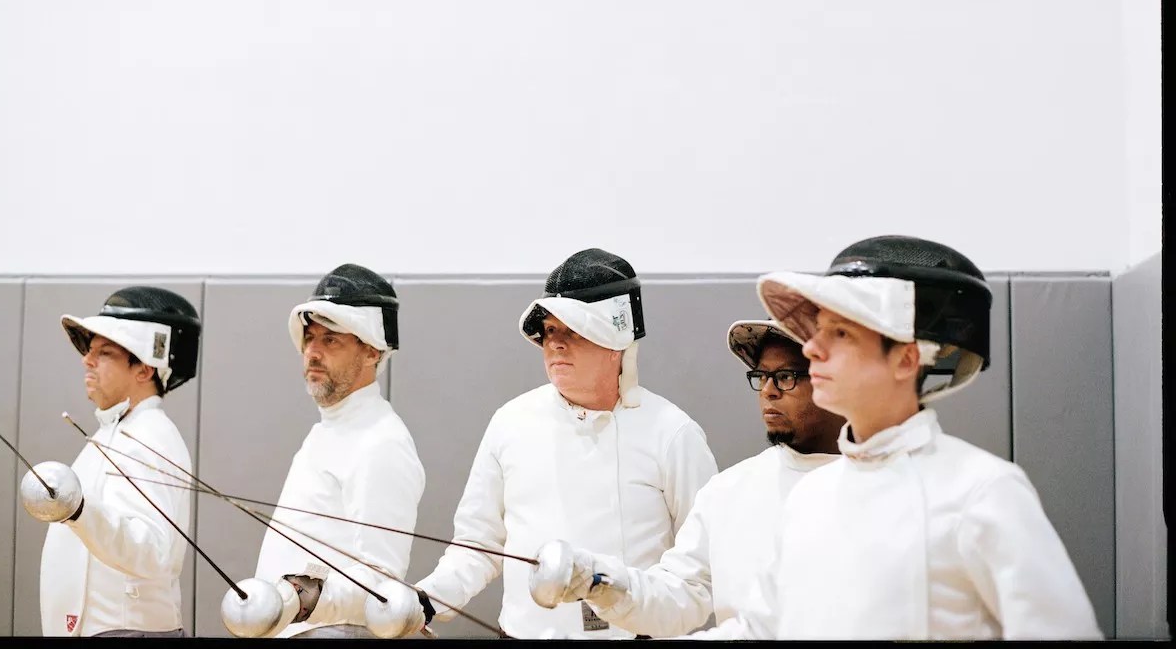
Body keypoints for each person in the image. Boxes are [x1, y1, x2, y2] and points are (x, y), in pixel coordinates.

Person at [749, 234, 1104, 640]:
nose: (811, 348)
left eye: (841, 333)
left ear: (905, 359)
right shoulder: (809, 496)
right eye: (818, 330)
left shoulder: (982, 490)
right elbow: (759, 629)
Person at [407, 248, 719, 639]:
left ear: (615, 340)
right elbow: (478, 544)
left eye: (573, 330)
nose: (556, 344)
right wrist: (426, 601)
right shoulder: (511, 422)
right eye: (550, 331)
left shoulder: (673, 434)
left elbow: (699, 581)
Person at [528, 319, 846, 637]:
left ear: (835, 377)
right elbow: (680, 592)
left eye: (786, 377)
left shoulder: (870, 490)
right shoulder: (729, 491)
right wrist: (601, 581)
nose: (768, 390)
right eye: (761, 376)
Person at [245, 264, 426, 638]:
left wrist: (303, 599)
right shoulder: (327, 431)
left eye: (331, 340)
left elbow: (383, 586)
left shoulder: (381, 442)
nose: (312, 352)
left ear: (371, 351)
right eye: (310, 338)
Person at [19, 286, 201, 637]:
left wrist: (79, 510)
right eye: (89, 350)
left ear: (144, 368)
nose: (87, 360)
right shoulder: (117, 430)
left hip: (127, 630)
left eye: (104, 352)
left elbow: (152, 550)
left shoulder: (150, 434)